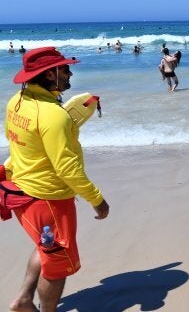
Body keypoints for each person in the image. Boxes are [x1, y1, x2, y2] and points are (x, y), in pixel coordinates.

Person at [4, 46, 110, 312]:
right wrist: (97, 200)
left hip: (21, 190)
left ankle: (23, 300)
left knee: (45, 248)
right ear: (51, 74)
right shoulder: (53, 115)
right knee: (58, 263)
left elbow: (21, 144)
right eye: (65, 68)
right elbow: (67, 167)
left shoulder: (17, 101)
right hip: (49, 199)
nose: (70, 71)